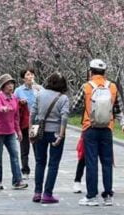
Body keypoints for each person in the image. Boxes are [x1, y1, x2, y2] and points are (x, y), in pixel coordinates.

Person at [73, 59, 124, 207]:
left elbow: (75, 106)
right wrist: (123, 124)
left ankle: (91, 196)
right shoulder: (112, 87)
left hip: (89, 128)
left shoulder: (86, 87)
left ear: (90, 72)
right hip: (107, 128)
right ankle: (108, 195)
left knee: (91, 162)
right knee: (107, 162)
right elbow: (118, 109)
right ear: (105, 72)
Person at [30, 72, 70, 204]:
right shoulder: (63, 98)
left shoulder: (40, 94)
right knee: (53, 164)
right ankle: (47, 193)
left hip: (40, 131)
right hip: (55, 133)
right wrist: (61, 135)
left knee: (40, 162)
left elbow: (33, 113)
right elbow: (64, 117)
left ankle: (37, 192)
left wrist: (31, 130)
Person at [0, 73, 29, 190]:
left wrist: (19, 131)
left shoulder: (14, 99)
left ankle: (17, 180)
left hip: (10, 132)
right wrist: (3, 108)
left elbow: (16, 117)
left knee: (15, 155)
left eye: (11, 83)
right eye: (7, 84)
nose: (10, 86)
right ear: (3, 86)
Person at [15, 68, 42, 176]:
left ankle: (38, 169)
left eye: (32, 74)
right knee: (24, 147)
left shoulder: (39, 89)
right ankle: (25, 170)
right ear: (23, 78)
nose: (30, 76)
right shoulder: (19, 91)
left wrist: (39, 91)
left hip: (35, 122)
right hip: (24, 123)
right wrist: (20, 102)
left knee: (36, 146)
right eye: (27, 74)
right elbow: (14, 104)